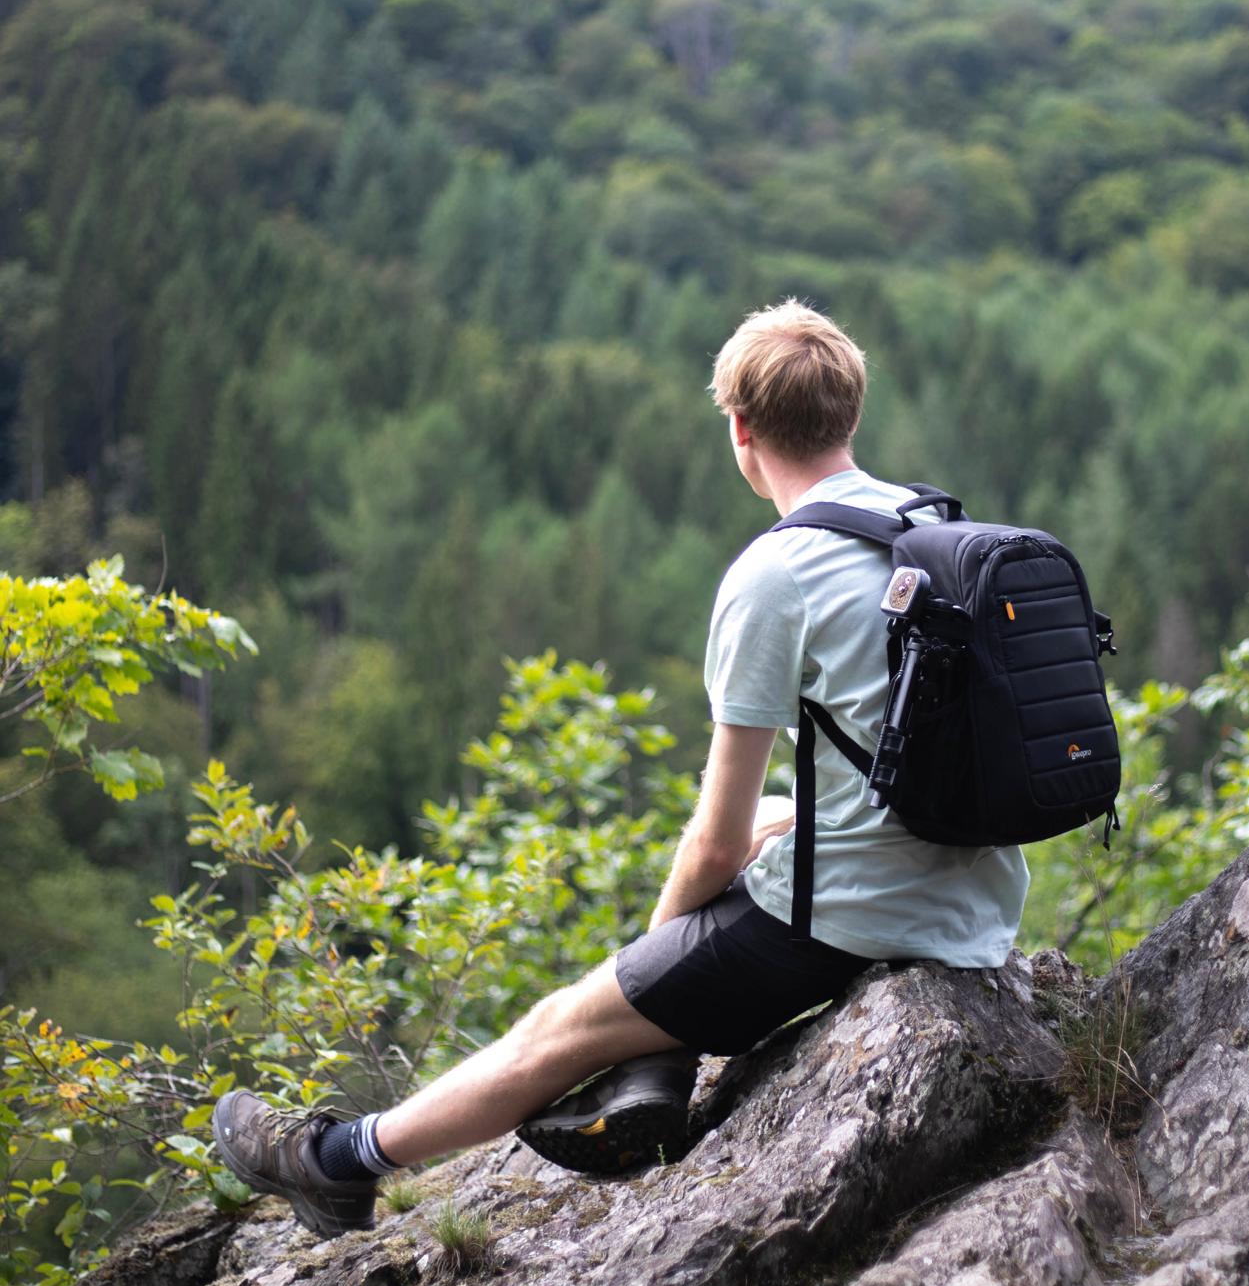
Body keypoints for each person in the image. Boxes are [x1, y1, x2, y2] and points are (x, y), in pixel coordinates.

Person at [212, 300, 1029, 1238]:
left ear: (741, 430)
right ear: (850, 413)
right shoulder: (928, 525)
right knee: (776, 813)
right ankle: (657, 1056)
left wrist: (648, 968)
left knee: (558, 1028)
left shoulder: (776, 576)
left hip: (855, 919)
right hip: (974, 900)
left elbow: (713, 842)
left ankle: (335, 1162)